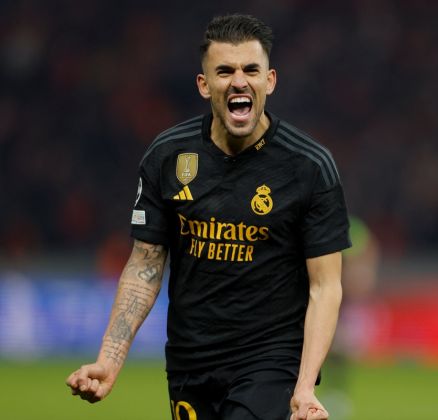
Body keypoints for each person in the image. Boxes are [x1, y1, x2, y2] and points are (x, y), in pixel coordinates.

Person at [66, 14, 351, 420]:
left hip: (270, 361)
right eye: (225, 71)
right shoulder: (168, 156)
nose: (239, 81)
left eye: (251, 70)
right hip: (190, 361)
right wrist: (109, 360)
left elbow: (326, 287)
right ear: (204, 85)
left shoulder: (309, 166)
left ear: (269, 81)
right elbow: (145, 266)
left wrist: (304, 387)